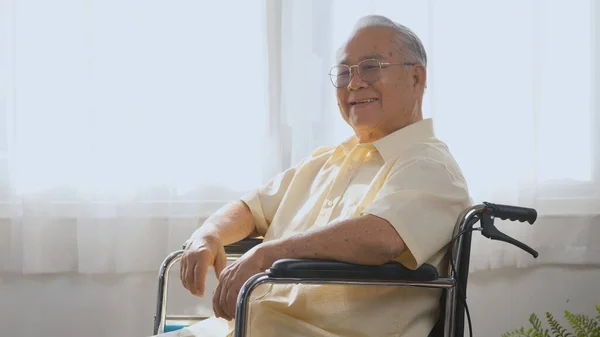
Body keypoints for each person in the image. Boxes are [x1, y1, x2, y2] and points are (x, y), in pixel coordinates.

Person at [160, 14, 471, 337]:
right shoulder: (325, 161)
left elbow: (382, 237)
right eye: (344, 72)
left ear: (416, 78)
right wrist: (207, 234)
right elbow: (250, 208)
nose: (354, 83)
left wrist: (268, 253)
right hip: (245, 324)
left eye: (370, 67)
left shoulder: (431, 165)